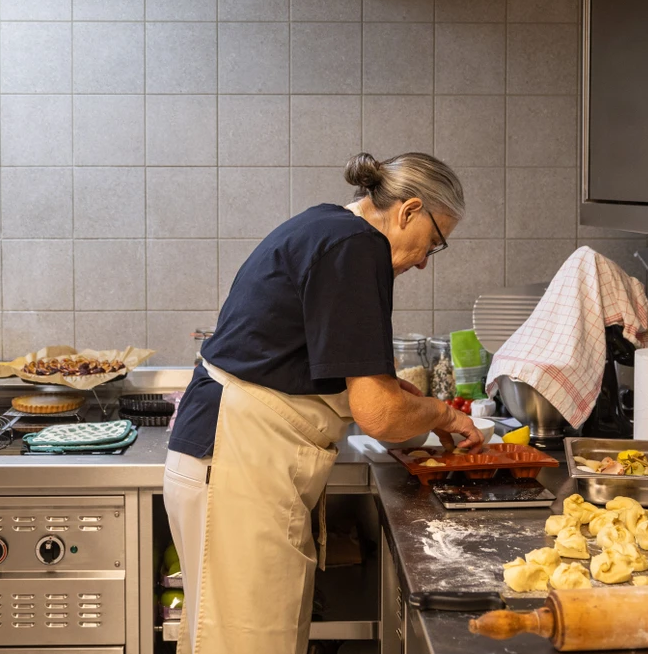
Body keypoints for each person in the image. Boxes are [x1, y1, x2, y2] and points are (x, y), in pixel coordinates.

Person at [163, 151, 484, 654]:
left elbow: (324, 365)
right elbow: (378, 414)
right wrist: (441, 414)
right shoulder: (357, 248)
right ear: (409, 210)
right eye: (435, 242)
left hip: (236, 454)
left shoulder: (332, 229)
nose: (424, 260)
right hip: (239, 459)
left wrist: (406, 400)